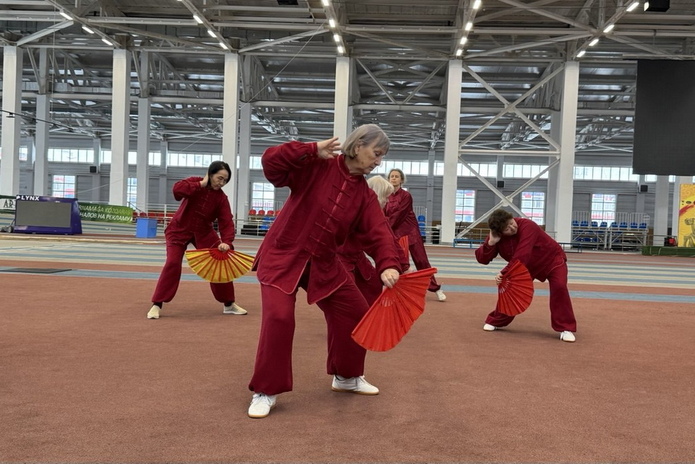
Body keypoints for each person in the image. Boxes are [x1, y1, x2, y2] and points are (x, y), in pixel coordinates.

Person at [248, 124, 402, 419]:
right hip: (283, 255)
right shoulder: (316, 166)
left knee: (356, 312)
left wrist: (389, 264)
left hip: (324, 263)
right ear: (358, 147)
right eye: (377, 153)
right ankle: (265, 390)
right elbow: (270, 163)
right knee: (279, 317)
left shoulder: (365, 196)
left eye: (382, 156)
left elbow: (379, 233)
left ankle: (346, 377)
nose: (379, 162)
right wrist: (308, 149)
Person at [147, 160, 247, 319]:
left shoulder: (221, 199)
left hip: (204, 232)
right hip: (178, 229)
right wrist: (201, 184)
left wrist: (226, 242)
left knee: (220, 261)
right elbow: (177, 191)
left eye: (225, 180)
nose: (221, 183)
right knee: (173, 262)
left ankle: (229, 304)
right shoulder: (194, 182)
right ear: (210, 174)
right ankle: (157, 304)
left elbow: (226, 221)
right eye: (219, 178)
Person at [474, 208, 577, 342]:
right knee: (512, 291)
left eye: (511, 222)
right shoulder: (496, 237)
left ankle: (565, 328)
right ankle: (496, 320)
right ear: (499, 232)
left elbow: (523, 254)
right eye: (507, 229)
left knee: (559, 286)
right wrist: (490, 243)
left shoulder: (528, 225)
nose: (512, 227)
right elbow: (482, 259)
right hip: (526, 266)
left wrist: (504, 272)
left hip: (552, 260)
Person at [337, 176, 407, 306]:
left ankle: (366, 315)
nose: (387, 201)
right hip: (341, 259)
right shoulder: (368, 215)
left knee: (372, 284)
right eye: (385, 197)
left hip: (355, 257)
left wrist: (402, 265)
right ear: (377, 195)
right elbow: (388, 240)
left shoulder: (374, 213)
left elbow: (388, 240)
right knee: (348, 296)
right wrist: (404, 266)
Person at [385, 168, 446, 301]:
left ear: (401, 180)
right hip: (395, 233)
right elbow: (384, 214)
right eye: (391, 176)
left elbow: (398, 215)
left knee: (421, 260)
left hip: (410, 232)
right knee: (399, 262)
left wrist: (386, 228)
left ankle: (436, 288)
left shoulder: (406, 196)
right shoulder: (386, 196)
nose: (394, 178)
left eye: (396, 176)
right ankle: (401, 290)